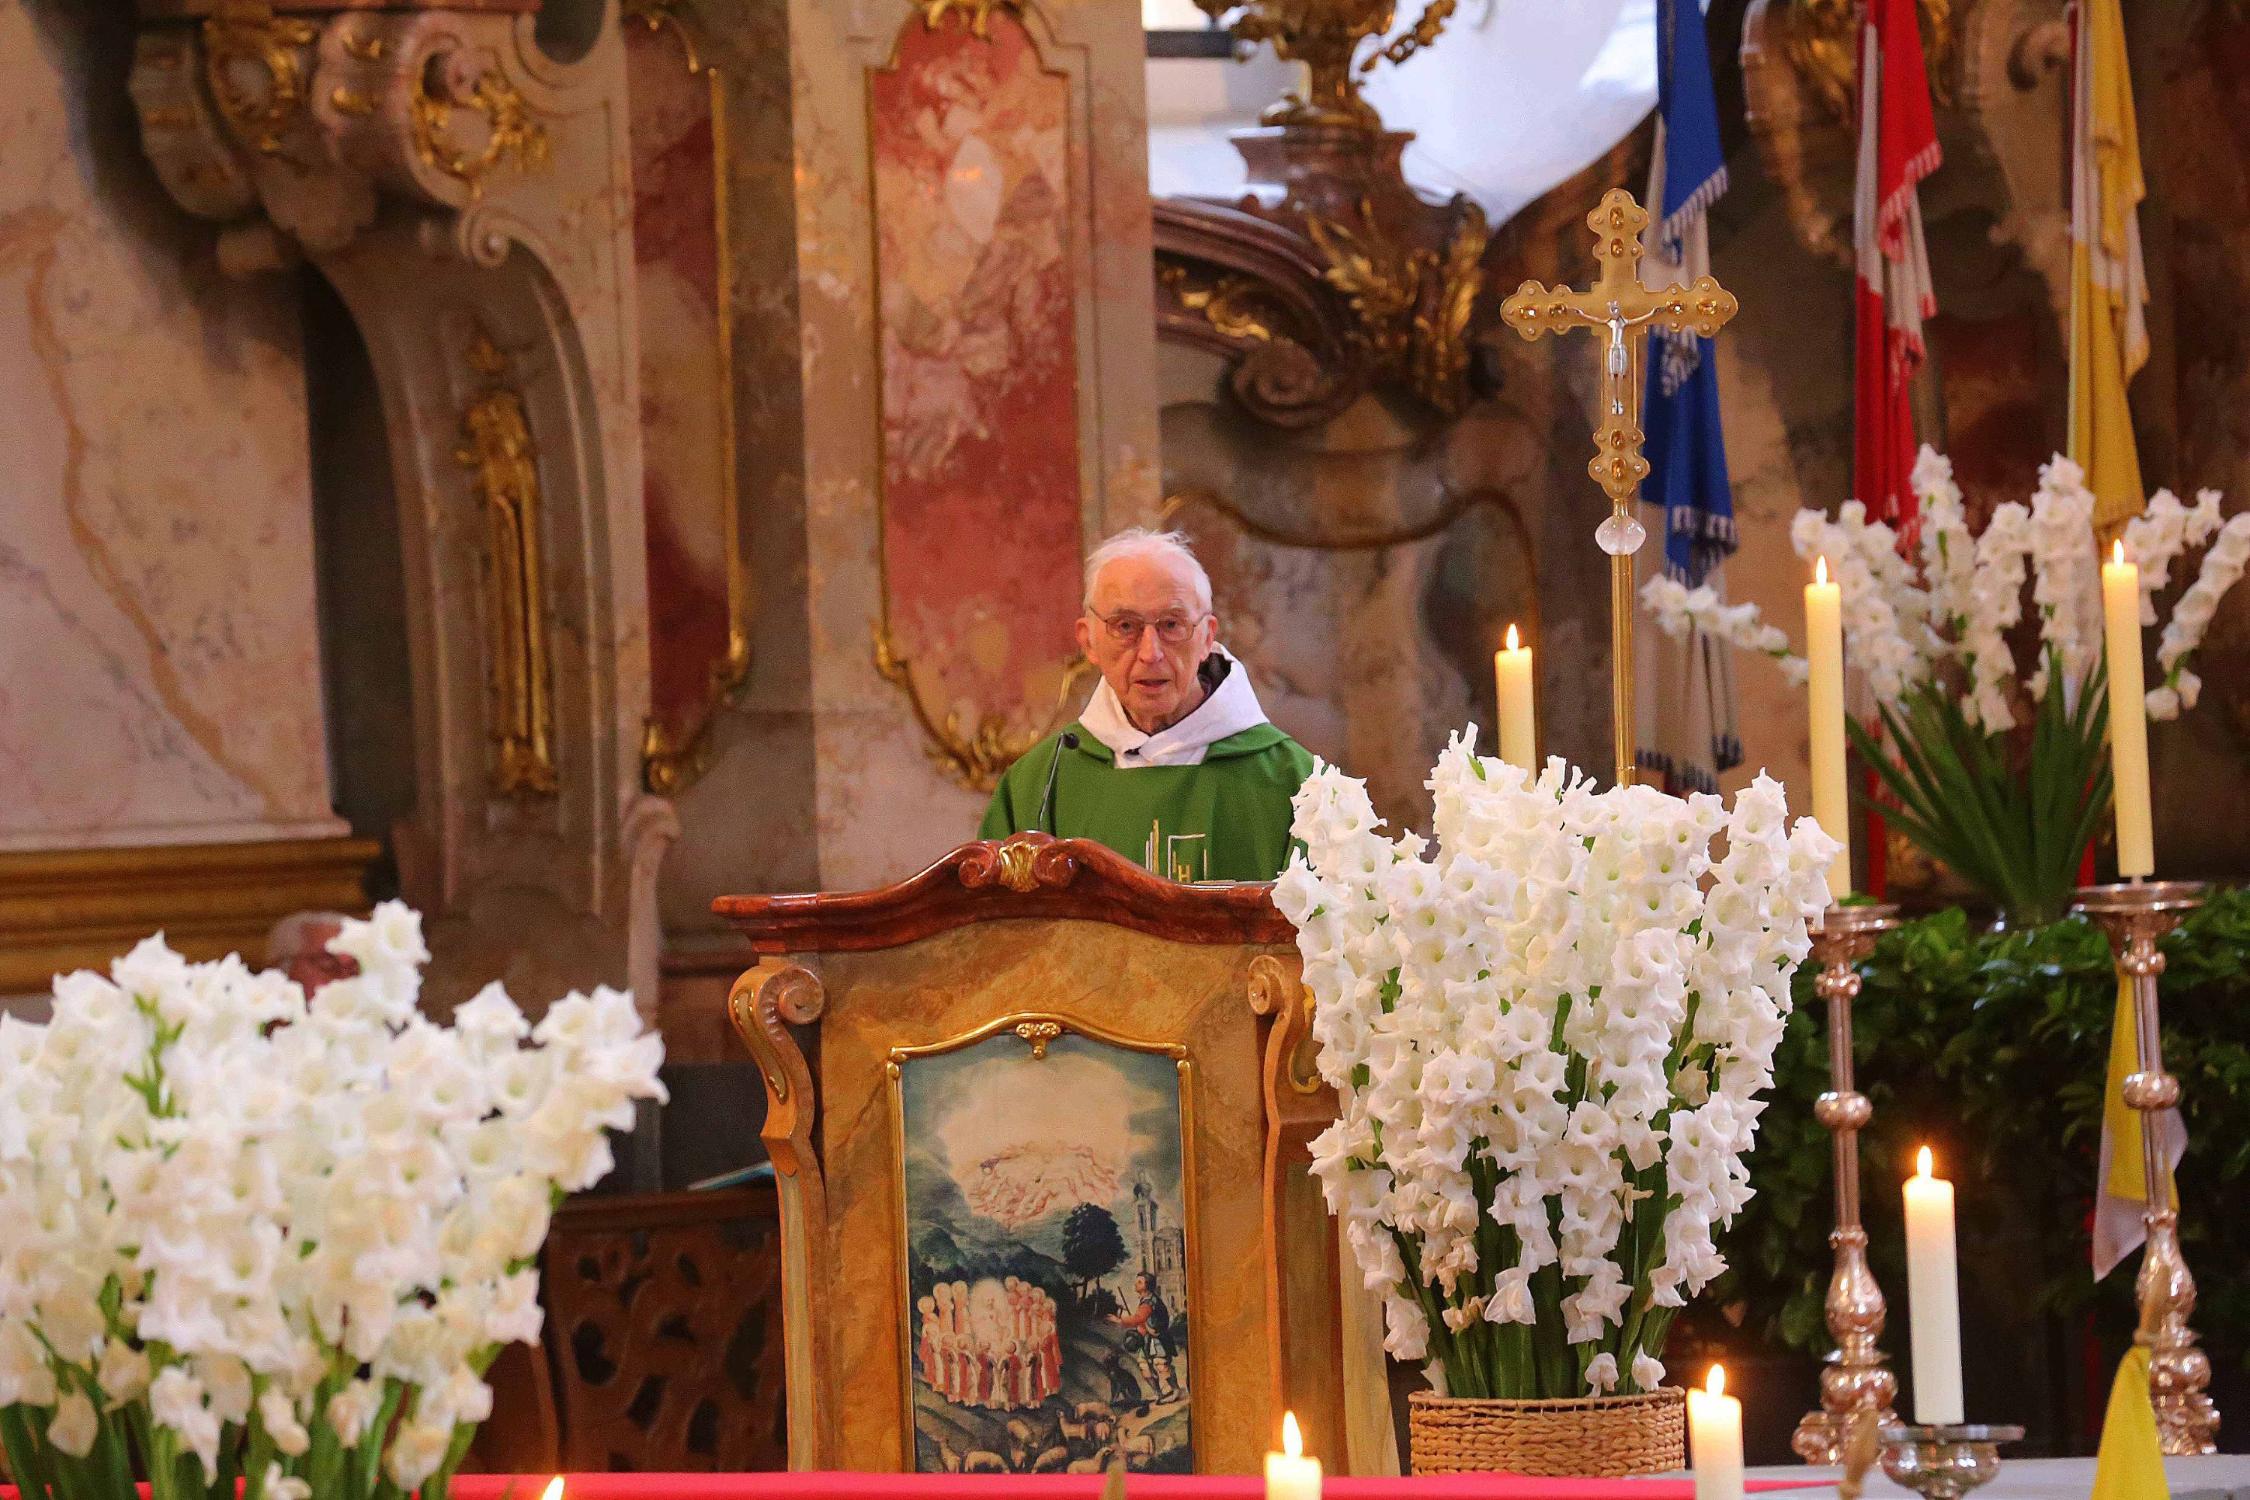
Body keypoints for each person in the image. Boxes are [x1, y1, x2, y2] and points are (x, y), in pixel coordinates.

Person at [979, 529, 1315, 881]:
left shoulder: (1298, 785)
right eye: (1125, 626)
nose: (1150, 653)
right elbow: (996, 932)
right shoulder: (1040, 784)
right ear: (1088, 641)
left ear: (1207, 637)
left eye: (1171, 625)